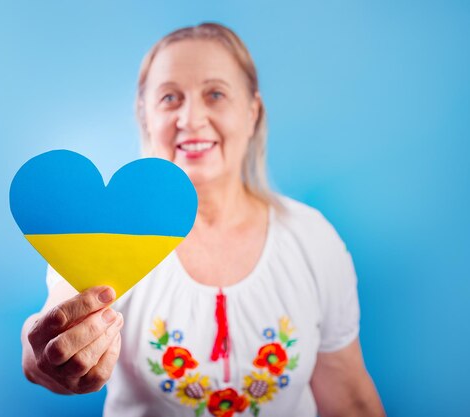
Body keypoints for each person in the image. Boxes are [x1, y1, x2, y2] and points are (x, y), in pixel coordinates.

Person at [21, 22, 386, 417]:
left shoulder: (312, 238)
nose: (191, 119)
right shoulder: (107, 231)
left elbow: (348, 397)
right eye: (169, 98)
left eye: (215, 94)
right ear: (145, 116)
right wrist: (44, 352)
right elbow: (48, 326)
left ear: (252, 112)